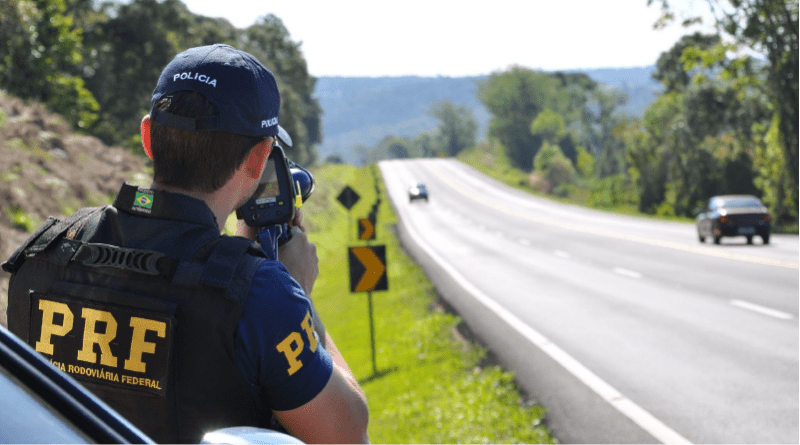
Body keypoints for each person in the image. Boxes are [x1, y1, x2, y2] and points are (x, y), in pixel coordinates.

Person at [2, 44, 369, 444]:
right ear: (259, 157)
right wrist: (300, 296)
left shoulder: (47, 251)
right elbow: (347, 433)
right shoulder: (261, 295)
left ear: (148, 137)